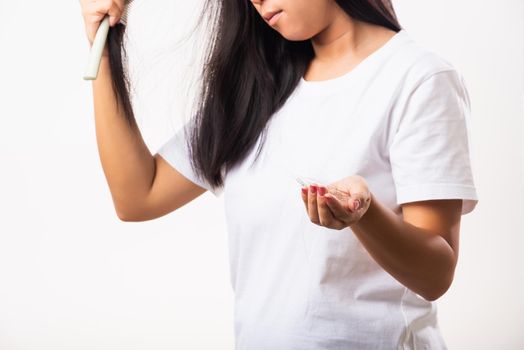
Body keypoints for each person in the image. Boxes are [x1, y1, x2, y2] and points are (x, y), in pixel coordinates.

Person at [80, 0, 479, 348]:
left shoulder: (417, 79)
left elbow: (435, 275)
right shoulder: (256, 89)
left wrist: (365, 215)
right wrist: (104, 44)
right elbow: (137, 196)